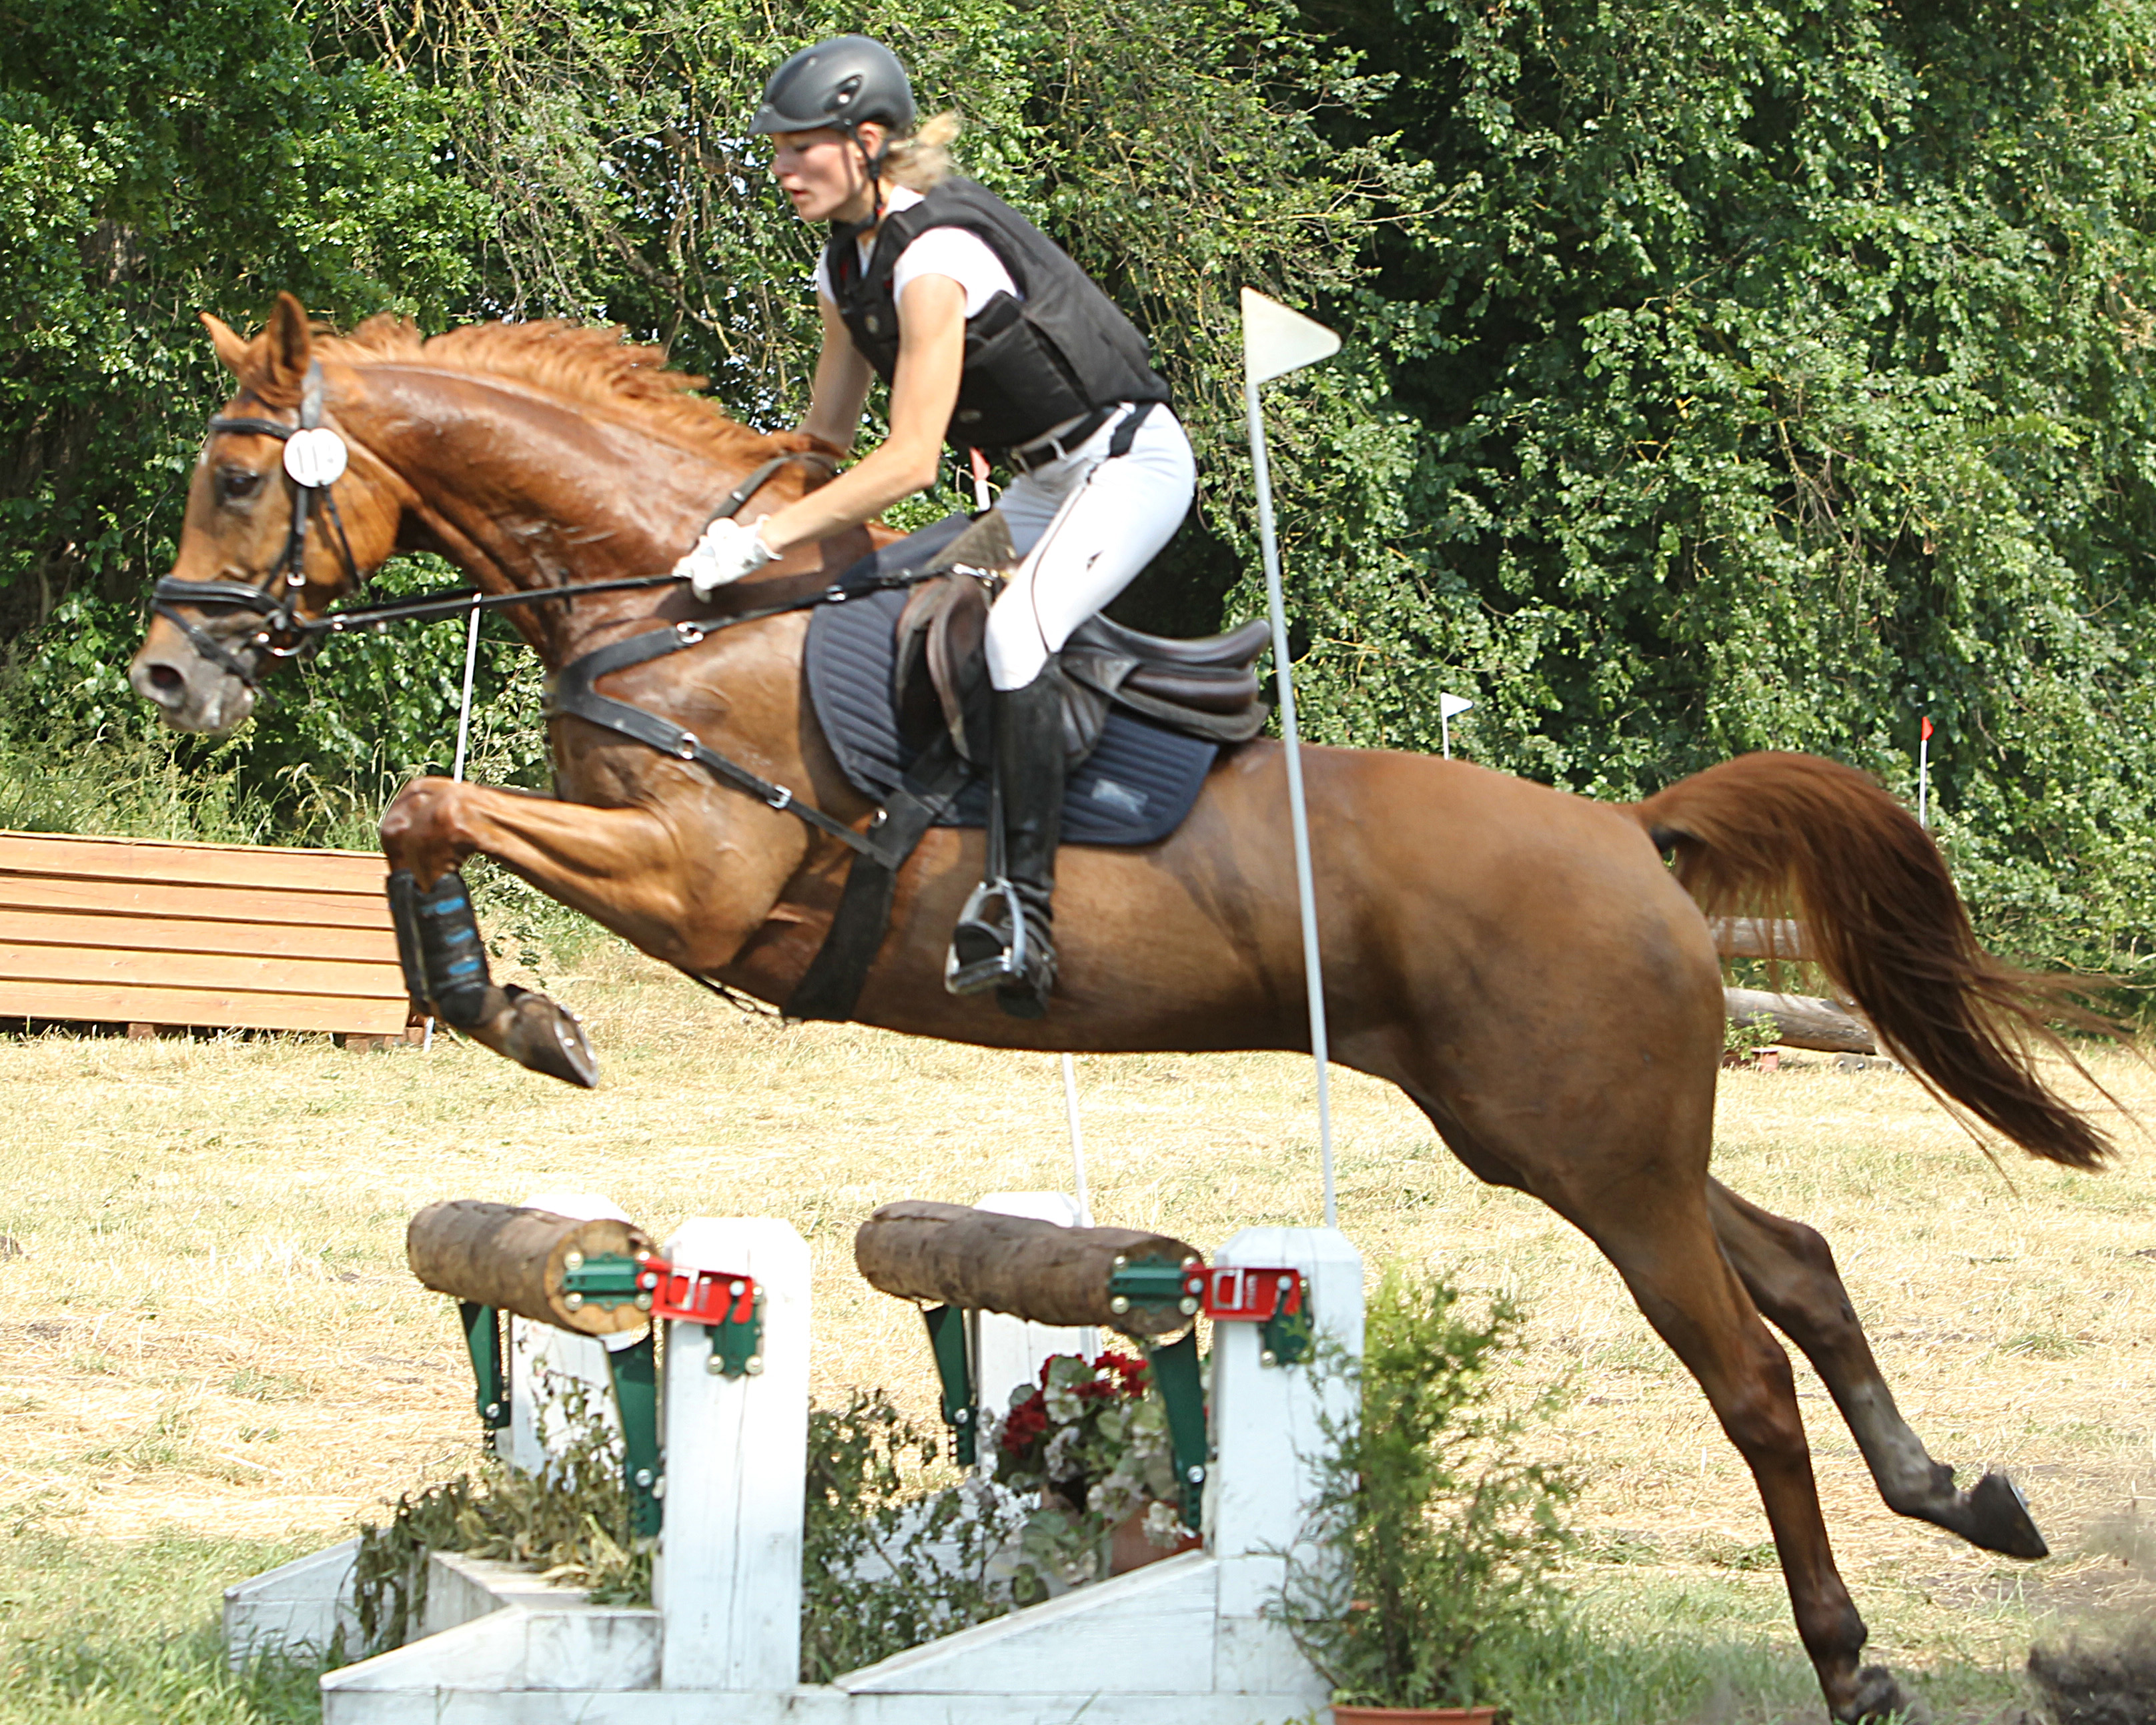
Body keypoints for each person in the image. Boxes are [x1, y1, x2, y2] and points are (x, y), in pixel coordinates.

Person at [673, 35, 1195, 1021]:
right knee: (909, 602)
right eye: (777, 151)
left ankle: (1023, 915)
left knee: (1013, 632)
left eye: (801, 149)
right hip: (1041, 489)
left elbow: (911, 460)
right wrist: (719, 499)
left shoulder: (935, 256)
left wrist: (761, 542)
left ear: (867, 142)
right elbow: (824, 438)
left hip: (1127, 464)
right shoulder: (845, 267)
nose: (780, 170)